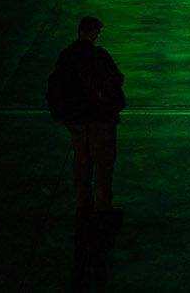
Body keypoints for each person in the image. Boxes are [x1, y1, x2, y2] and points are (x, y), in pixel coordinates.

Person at [48, 15, 126, 224]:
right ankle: (103, 205)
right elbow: (116, 79)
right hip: (100, 117)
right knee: (103, 162)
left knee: (82, 161)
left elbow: (56, 86)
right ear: (91, 33)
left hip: (76, 119)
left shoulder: (66, 56)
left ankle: (83, 203)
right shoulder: (99, 56)